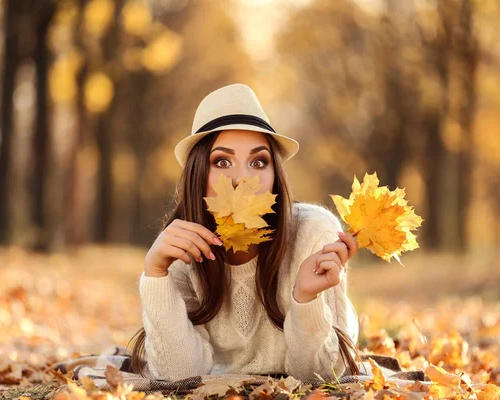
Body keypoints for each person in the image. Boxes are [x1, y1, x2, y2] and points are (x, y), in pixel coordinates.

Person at [127, 83, 361, 382]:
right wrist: (156, 274)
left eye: (258, 161)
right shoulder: (181, 248)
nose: (242, 178)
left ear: (275, 174)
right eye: (222, 162)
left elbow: (320, 375)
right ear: (199, 174)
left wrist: (306, 297)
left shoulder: (314, 233)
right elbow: (179, 376)